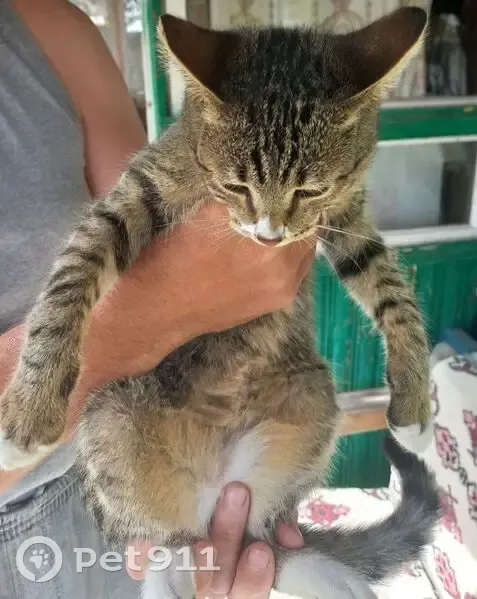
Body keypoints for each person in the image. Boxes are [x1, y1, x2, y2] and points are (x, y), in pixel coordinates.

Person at [0, 1, 309, 597]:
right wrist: (154, 310)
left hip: (100, 480)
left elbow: (157, 230)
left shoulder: (52, 28)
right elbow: (178, 286)